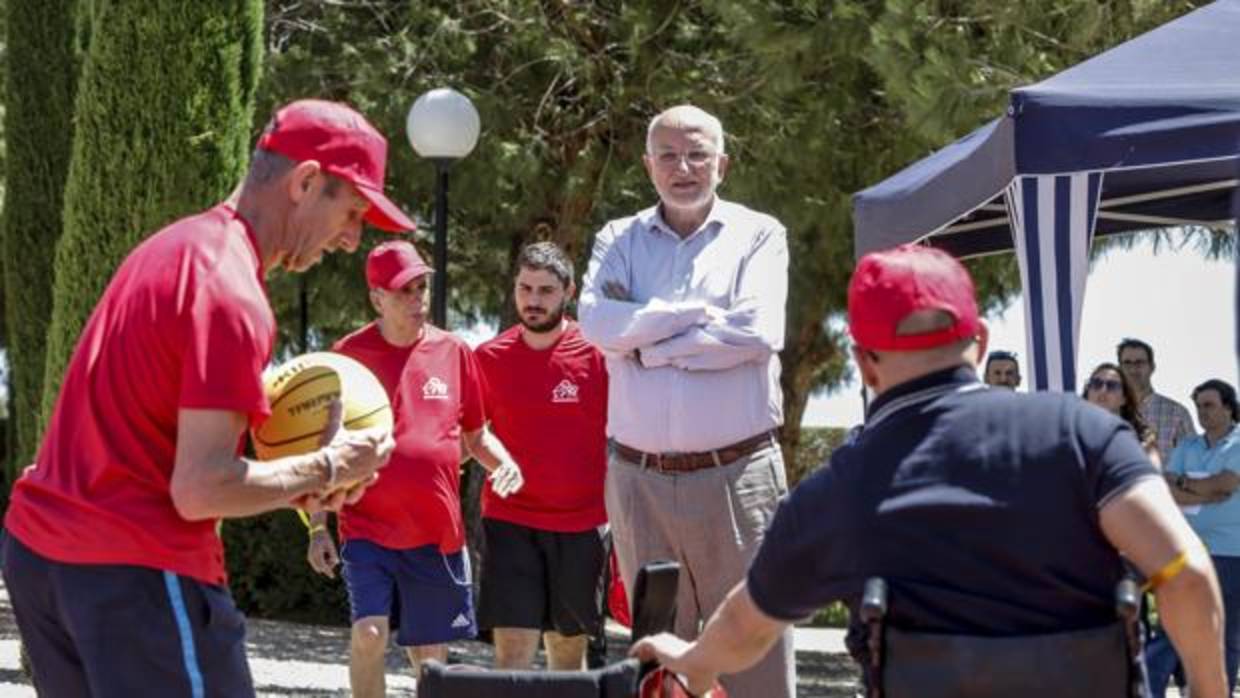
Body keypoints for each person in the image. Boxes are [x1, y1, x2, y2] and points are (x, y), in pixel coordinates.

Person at [633, 244, 1229, 698]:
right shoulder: (1087, 435)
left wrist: (692, 660)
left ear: (864, 364)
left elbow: (745, 627)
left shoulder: (841, 489)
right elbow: (1186, 575)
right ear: (980, 339)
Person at [1, 99, 405, 697]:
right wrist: (329, 465)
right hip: (134, 573)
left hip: (44, 559)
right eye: (352, 212)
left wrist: (304, 479)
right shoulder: (232, 292)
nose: (351, 240)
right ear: (306, 181)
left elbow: (158, 448)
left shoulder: (176, 247)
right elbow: (199, 489)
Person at [578, 104, 793, 697]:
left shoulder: (760, 234)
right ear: (648, 165)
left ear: (722, 162)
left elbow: (757, 332)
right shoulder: (617, 239)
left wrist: (645, 343)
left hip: (738, 476)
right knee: (656, 664)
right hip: (638, 480)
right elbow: (596, 323)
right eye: (669, 155)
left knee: (755, 658)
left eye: (698, 153)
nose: (684, 167)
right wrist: (692, 317)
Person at [304, 239, 525, 698]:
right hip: (367, 528)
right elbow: (323, 448)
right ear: (376, 299)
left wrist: (505, 465)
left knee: (431, 661)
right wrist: (318, 528)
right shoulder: (347, 356)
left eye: (422, 287)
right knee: (369, 633)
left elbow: (476, 436)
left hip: (435, 534)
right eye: (404, 290)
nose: (417, 299)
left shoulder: (454, 351)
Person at [473, 241, 610, 671]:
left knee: (568, 655)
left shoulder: (598, 356)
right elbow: (471, 435)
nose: (533, 300)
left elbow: (626, 437)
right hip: (509, 521)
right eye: (525, 288)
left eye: (546, 290)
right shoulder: (487, 358)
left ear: (568, 292)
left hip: (581, 525)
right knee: (512, 652)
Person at [1147, 379, 1240, 696]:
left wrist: (1187, 482)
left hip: (1232, 553)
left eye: (1209, 405)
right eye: (1199, 406)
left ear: (1229, 407)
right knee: (1173, 629)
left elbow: (1226, 484)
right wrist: (1203, 487)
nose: (1202, 412)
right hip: (1188, 550)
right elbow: (1166, 489)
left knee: (1226, 637)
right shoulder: (1187, 446)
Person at [1118, 337, 1196, 462]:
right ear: (1119, 369)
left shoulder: (1177, 413)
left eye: (1139, 363)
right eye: (1127, 363)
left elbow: (1193, 462)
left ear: (1152, 367)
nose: (1133, 369)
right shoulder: (1108, 412)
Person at [1082, 361, 1161, 466]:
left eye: (1112, 386)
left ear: (1124, 398)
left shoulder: (1142, 442)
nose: (1103, 390)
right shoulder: (1070, 435)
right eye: (1096, 384)